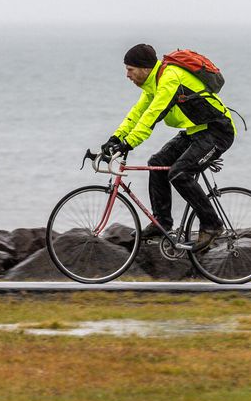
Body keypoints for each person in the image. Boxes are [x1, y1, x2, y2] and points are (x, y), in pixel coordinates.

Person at [101, 44, 236, 251]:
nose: (127, 75)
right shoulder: (153, 83)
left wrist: (129, 143)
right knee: (157, 162)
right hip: (195, 131)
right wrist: (115, 138)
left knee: (179, 173)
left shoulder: (170, 78)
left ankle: (212, 224)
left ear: (145, 68)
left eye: (130, 70)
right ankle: (162, 222)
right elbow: (137, 113)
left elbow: (153, 115)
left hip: (218, 131)